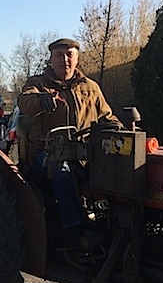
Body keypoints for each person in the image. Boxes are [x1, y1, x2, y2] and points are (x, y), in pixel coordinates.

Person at [18, 38, 122, 232]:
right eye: (59, 55)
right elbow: (25, 101)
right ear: (51, 60)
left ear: (77, 58)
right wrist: (42, 100)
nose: (64, 59)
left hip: (84, 153)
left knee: (119, 165)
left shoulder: (91, 87)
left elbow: (107, 117)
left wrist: (122, 132)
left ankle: (114, 222)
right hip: (46, 154)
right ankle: (75, 228)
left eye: (69, 55)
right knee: (61, 168)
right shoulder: (38, 84)